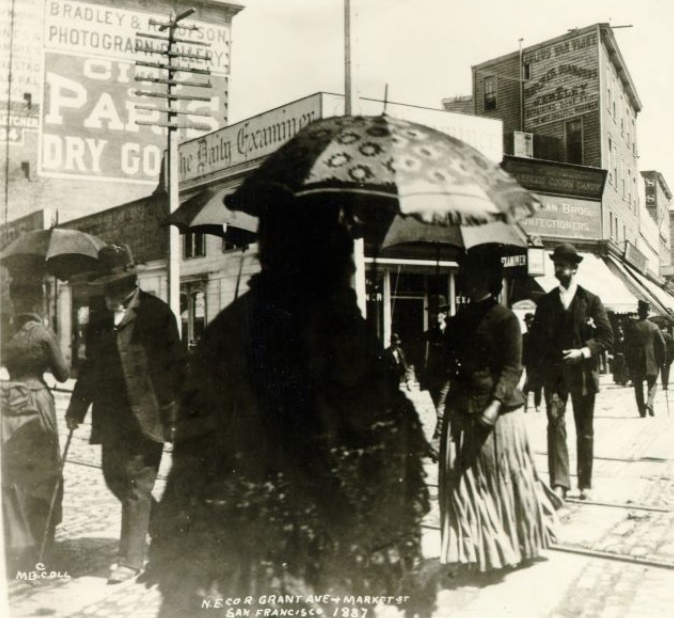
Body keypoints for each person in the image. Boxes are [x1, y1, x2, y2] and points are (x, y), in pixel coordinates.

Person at [147, 202, 432, 617]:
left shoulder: (228, 329)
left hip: (253, 553)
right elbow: (388, 440)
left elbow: (192, 458)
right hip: (327, 550)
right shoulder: (338, 327)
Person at [65, 244, 184, 584]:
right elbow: (89, 369)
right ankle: (167, 528)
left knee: (135, 483)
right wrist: (77, 408)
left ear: (129, 281)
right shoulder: (99, 318)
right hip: (111, 417)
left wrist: (175, 414)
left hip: (149, 416)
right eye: (105, 285)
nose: (109, 292)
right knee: (113, 477)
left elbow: (175, 368)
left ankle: (130, 560)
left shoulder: (157, 314)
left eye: (115, 284)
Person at [440, 245, 558, 573]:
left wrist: (494, 404)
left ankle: (514, 543)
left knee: (504, 479)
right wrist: (440, 348)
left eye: (472, 276)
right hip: (462, 409)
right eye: (465, 276)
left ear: (486, 280)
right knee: (463, 484)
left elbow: (512, 368)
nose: (466, 281)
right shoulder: (457, 320)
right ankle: (478, 547)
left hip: (499, 413)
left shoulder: (506, 319)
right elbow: (449, 367)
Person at [530, 243, 614, 501]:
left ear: (575, 268)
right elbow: (536, 341)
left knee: (584, 429)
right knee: (555, 424)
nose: (559, 268)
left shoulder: (591, 301)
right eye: (556, 263)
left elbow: (607, 336)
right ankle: (560, 483)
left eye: (564, 264)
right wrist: (533, 374)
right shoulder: (545, 302)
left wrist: (584, 352)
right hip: (555, 376)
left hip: (583, 375)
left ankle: (585, 483)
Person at [2, 281, 70, 574]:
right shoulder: (42, 334)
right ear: (37, 303)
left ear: (15, 302)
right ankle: (44, 549)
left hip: (7, 404)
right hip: (37, 402)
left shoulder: (4, 332)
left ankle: (17, 546)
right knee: (44, 473)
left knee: (13, 474)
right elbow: (63, 374)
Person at [420, 294, 452, 454]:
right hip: (432, 379)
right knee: (439, 412)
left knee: (441, 411)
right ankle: (445, 443)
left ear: (444, 314)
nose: (435, 315)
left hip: (446, 378)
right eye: (433, 312)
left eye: (438, 312)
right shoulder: (428, 334)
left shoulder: (451, 332)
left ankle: (435, 446)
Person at [626, 300, 666, 418]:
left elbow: (627, 345)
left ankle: (641, 411)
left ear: (639, 312)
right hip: (651, 359)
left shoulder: (632, 327)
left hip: (637, 359)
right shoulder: (654, 327)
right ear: (648, 313)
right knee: (652, 383)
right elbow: (662, 344)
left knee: (638, 386)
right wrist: (662, 360)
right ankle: (649, 402)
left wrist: (629, 361)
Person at [521, 312, 542, 411]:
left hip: (538, 363)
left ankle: (537, 405)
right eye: (527, 322)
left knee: (538, 384)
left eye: (531, 322)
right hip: (528, 363)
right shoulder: (524, 336)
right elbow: (522, 351)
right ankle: (525, 405)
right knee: (527, 384)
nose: (529, 324)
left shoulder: (539, 336)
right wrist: (522, 363)